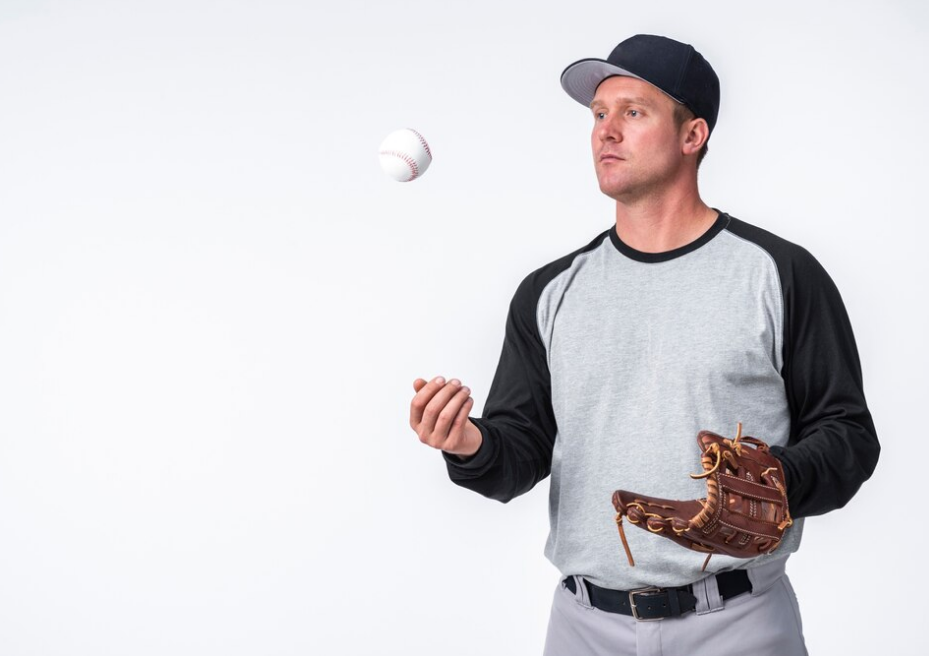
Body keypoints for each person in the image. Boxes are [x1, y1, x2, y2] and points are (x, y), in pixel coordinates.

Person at [408, 34, 879, 655]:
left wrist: (776, 480)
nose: (606, 131)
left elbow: (849, 436)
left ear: (693, 135)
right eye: (599, 114)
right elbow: (518, 453)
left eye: (633, 112)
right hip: (585, 625)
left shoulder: (778, 273)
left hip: (737, 622)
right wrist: (468, 443)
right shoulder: (549, 292)